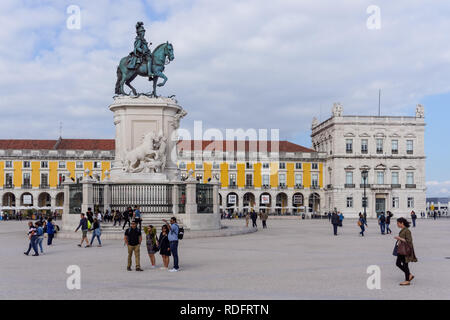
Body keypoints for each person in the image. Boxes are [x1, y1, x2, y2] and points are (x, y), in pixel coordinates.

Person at [394, 217, 418, 286]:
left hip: (405, 250)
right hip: (401, 250)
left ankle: (407, 280)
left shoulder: (407, 231)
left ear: (402, 223)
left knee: (405, 264)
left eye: (398, 223)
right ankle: (409, 275)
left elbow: (409, 241)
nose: (397, 224)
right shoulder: (403, 230)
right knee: (398, 263)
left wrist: (399, 238)